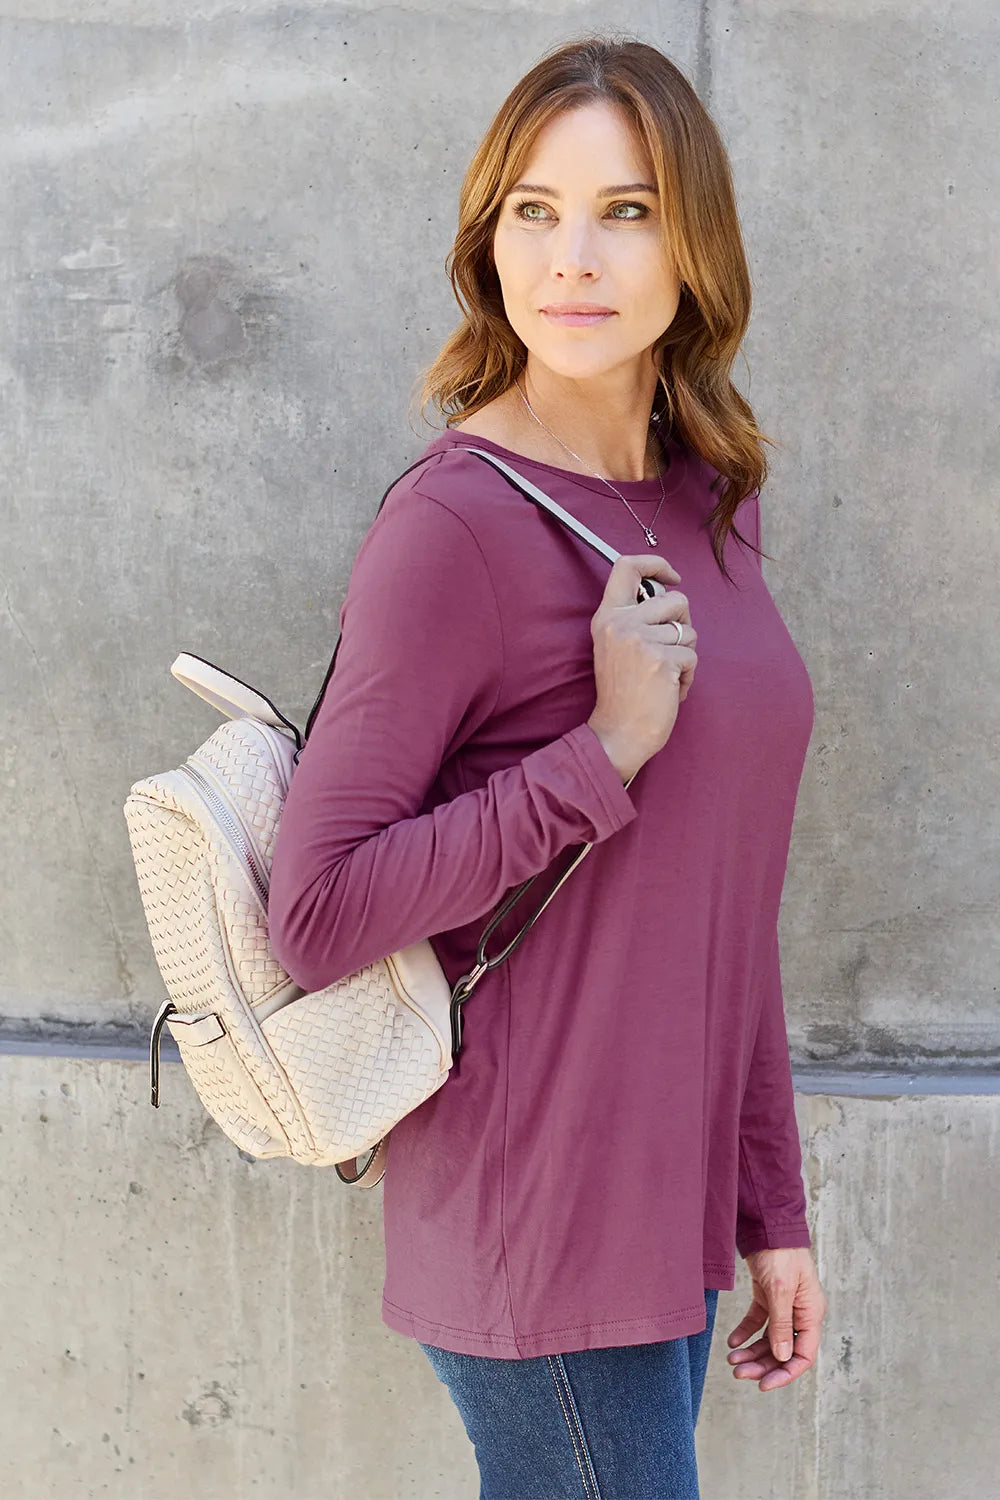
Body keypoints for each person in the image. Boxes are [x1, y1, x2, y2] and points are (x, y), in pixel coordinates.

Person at [267, 31, 828, 1500]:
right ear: (489, 241)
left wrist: (771, 1202)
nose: (574, 257)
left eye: (627, 210)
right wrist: (602, 751)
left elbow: (728, 900)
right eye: (536, 210)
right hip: (538, 1210)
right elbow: (316, 912)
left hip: (670, 1206)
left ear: (694, 247)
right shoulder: (453, 527)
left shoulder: (711, 503)